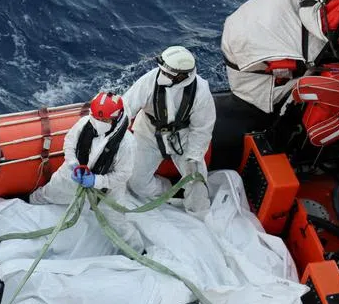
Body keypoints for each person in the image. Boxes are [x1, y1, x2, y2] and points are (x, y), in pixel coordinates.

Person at [30, 91, 144, 251]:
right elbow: (69, 142)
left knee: (116, 220)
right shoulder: (84, 123)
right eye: (96, 118)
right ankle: (31, 201)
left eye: (103, 120)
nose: (98, 122)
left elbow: (123, 175)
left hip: (107, 190)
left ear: (115, 118)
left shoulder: (127, 144)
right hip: (74, 174)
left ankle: (136, 250)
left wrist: (96, 181)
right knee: (50, 191)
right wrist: (73, 164)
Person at [123, 45, 217, 217]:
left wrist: (193, 156)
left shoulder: (201, 91)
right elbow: (126, 107)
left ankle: (198, 216)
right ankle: (169, 190)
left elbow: (202, 128)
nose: (162, 76)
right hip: (148, 135)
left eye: (168, 74)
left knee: (197, 183)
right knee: (137, 183)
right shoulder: (149, 81)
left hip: (183, 138)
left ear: (182, 76)